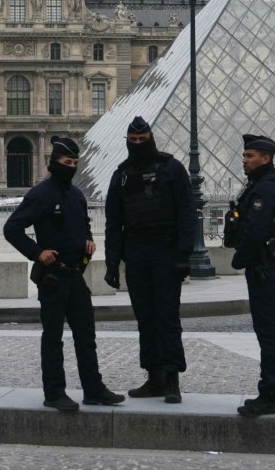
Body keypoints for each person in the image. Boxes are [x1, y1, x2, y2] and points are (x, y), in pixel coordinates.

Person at [3, 136, 124, 412]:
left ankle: (93, 389)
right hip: (53, 277)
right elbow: (12, 228)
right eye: (66, 162)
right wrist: (36, 252)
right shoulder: (40, 194)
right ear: (53, 163)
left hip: (75, 276)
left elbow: (83, 224)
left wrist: (89, 240)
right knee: (53, 337)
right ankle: (54, 392)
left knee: (86, 336)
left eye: (74, 163)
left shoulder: (78, 194)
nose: (71, 167)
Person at [104, 116, 196, 404]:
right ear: (127, 142)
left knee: (167, 316)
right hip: (137, 253)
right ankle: (153, 376)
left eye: (143, 141)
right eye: (133, 141)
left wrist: (184, 255)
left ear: (151, 139)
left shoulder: (172, 168)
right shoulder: (121, 175)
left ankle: (172, 379)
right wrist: (111, 263)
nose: (138, 145)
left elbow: (186, 213)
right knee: (145, 317)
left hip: (166, 253)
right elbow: (112, 222)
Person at [226, 134, 275, 418]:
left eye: (250, 155)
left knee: (267, 331)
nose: (245, 159)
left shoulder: (265, 189)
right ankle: (271, 390)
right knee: (267, 330)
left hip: (263, 264)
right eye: (244, 155)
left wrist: (238, 259)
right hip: (265, 262)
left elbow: (256, 231)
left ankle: (270, 393)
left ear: (266, 158)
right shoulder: (262, 185)